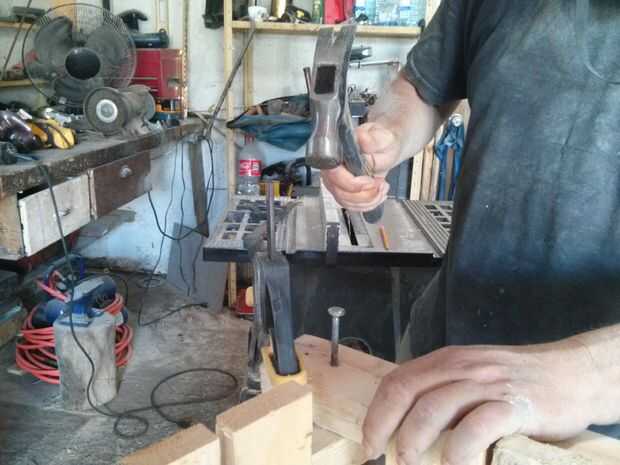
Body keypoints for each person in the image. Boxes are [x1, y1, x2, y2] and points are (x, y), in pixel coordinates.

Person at [321, 1, 620, 464]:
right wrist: (388, 133)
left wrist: (590, 372)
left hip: (594, 427)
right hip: (441, 356)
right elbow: (423, 88)